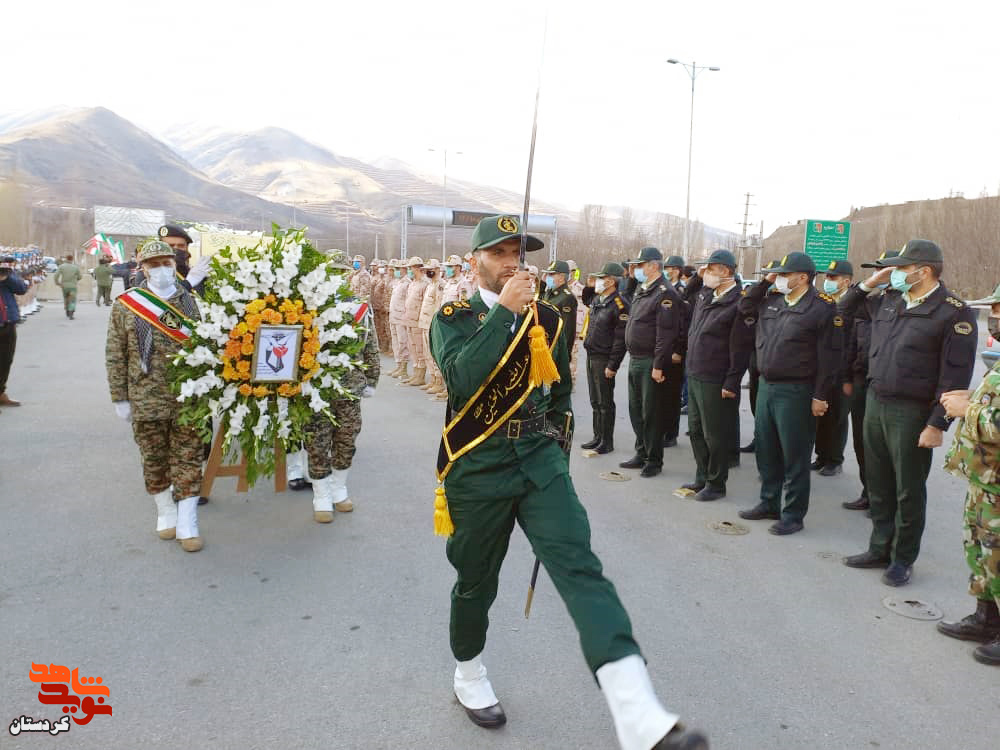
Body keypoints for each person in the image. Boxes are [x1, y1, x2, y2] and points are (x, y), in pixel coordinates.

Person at [428, 215, 707, 750]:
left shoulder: (550, 318)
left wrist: (555, 446)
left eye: (519, 251)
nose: (513, 261)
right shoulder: (455, 315)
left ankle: (638, 713)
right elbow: (461, 382)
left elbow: (557, 394)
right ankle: (468, 672)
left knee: (581, 568)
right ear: (475, 262)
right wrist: (503, 316)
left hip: (538, 459)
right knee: (475, 581)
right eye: (500, 252)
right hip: (478, 464)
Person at [841, 239, 977, 586]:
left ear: (924, 271)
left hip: (912, 411)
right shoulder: (889, 299)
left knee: (908, 488)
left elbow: (955, 376)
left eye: (901, 268)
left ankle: (902, 558)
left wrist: (937, 424)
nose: (895, 274)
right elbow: (842, 310)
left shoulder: (953, 311)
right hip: (876, 400)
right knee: (879, 482)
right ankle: (879, 547)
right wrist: (870, 283)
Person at [105, 240, 204, 552]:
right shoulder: (127, 304)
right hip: (146, 396)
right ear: (143, 268)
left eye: (166, 263)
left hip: (188, 396)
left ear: (174, 265)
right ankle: (165, 511)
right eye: (154, 264)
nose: (162, 269)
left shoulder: (191, 302)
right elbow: (115, 354)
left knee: (189, 457)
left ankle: (188, 522)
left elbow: (207, 347)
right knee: (154, 458)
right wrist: (119, 397)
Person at [736, 252, 840, 536]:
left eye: (784, 274)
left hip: (797, 390)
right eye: (777, 274)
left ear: (803, 277)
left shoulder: (822, 308)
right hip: (766, 385)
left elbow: (829, 357)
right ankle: (769, 502)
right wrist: (765, 282)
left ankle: (793, 514)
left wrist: (820, 395)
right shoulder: (773, 300)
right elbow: (744, 306)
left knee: (795, 455)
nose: (779, 278)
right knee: (766, 450)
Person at [937, 282, 1000, 665]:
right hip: (985, 480)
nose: (994, 316)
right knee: (980, 551)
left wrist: (968, 409)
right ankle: (985, 617)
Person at [305, 264, 381, 519]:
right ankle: (321, 495)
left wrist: (372, 378)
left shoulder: (359, 307)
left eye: (341, 271)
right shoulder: (309, 303)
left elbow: (370, 343)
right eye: (331, 271)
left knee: (347, 439)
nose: (337, 276)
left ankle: (339, 488)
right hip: (317, 388)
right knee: (317, 441)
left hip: (349, 388)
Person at [679, 250, 754, 502]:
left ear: (725, 271)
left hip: (716, 377)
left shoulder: (738, 302)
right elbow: (683, 298)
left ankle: (716, 482)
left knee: (715, 434)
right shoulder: (706, 294)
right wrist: (697, 279)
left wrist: (732, 381)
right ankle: (702, 476)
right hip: (696, 372)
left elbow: (740, 347)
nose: (706, 273)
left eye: (710, 269)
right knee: (696, 430)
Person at [840, 250, 900, 511]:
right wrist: (868, 285)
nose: (879, 275)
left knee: (888, 449)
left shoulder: (908, 305)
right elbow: (843, 310)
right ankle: (870, 492)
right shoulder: (872, 302)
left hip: (890, 386)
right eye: (876, 271)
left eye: (884, 271)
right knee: (864, 443)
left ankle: (889, 500)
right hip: (861, 380)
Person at [619, 247, 684, 478]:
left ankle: (654, 460)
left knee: (651, 413)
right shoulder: (643, 289)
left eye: (640, 265)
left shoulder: (665, 293)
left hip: (650, 362)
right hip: (636, 358)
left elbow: (665, 334)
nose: (636, 269)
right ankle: (641, 452)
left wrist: (658, 365)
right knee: (636, 410)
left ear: (654, 266)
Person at [811, 260, 854, 476]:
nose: (828, 281)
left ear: (846, 281)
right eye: (827, 277)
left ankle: (835, 459)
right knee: (821, 414)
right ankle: (821, 455)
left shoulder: (853, 304)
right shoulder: (824, 302)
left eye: (833, 278)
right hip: (823, 367)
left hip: (843, 368)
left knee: (837, 415)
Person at [581, 262, 629, 454]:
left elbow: (620, 339)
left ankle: (606, 441)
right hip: (592, 354)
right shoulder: (598, 300)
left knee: (605, 402)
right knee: (595, 400)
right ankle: (597, 436)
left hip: (604, 357)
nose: (597, 281)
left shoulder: (620, 304)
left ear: (610, 281)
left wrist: (613, 364)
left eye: (601, 278)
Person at [0, 255, 28, 409]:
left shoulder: (7, 274)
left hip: (8, 322)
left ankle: (1, 393)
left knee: (5, 361)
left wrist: (6, 276)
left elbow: (22, 289)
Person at [541, 261, 578, 369]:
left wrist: (563, 356)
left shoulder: (567, 297)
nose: (548, 277)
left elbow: (568, 329)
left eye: (551, 274)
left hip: (555, 348)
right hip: (544, 344)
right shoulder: (549, 292)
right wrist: (543, 285)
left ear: (561, 277)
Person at [418, 258, 445, 396]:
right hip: (424, 322)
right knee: (427, 352)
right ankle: (433, 379)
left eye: (431, 269)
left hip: (432, 323)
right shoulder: (430, 284)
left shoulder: (440, 285)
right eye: (427, 269)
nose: (428, 272)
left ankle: (439, 381)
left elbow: (438, 306)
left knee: (434, 353)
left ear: (438, 270)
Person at [402, 257, 428, 386]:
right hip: (409, 320)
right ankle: (415, 373)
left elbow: (424, 304)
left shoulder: (425, 284)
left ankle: (421, 375)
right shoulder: (413, 283)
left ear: (417, 268)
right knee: (412, 348)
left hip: (418, 320)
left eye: (411, 268)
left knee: (420, 348)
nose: (410, 270)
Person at [388, 259, 411, 381]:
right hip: (393, 316)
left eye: (398, 269)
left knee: (403, 343)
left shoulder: (407, 283)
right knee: (395, 342)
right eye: (395, 269)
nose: (396, 271)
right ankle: (398, 365)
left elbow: (407, 301)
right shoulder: (397, 282)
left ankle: (404, 367)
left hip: (401, 317)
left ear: (404, 269)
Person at [54, 254, 82, 319]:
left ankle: (67, 309)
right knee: (72, 299)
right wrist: (76, 279)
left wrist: (57, 283)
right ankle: (71, 312)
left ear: (66, 259)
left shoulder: (61, 266)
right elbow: (80, 276)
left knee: (66, 298)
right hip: (73, 286)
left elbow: (56, 275)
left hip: (64, 286)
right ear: (72, 259)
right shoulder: (75, 267)